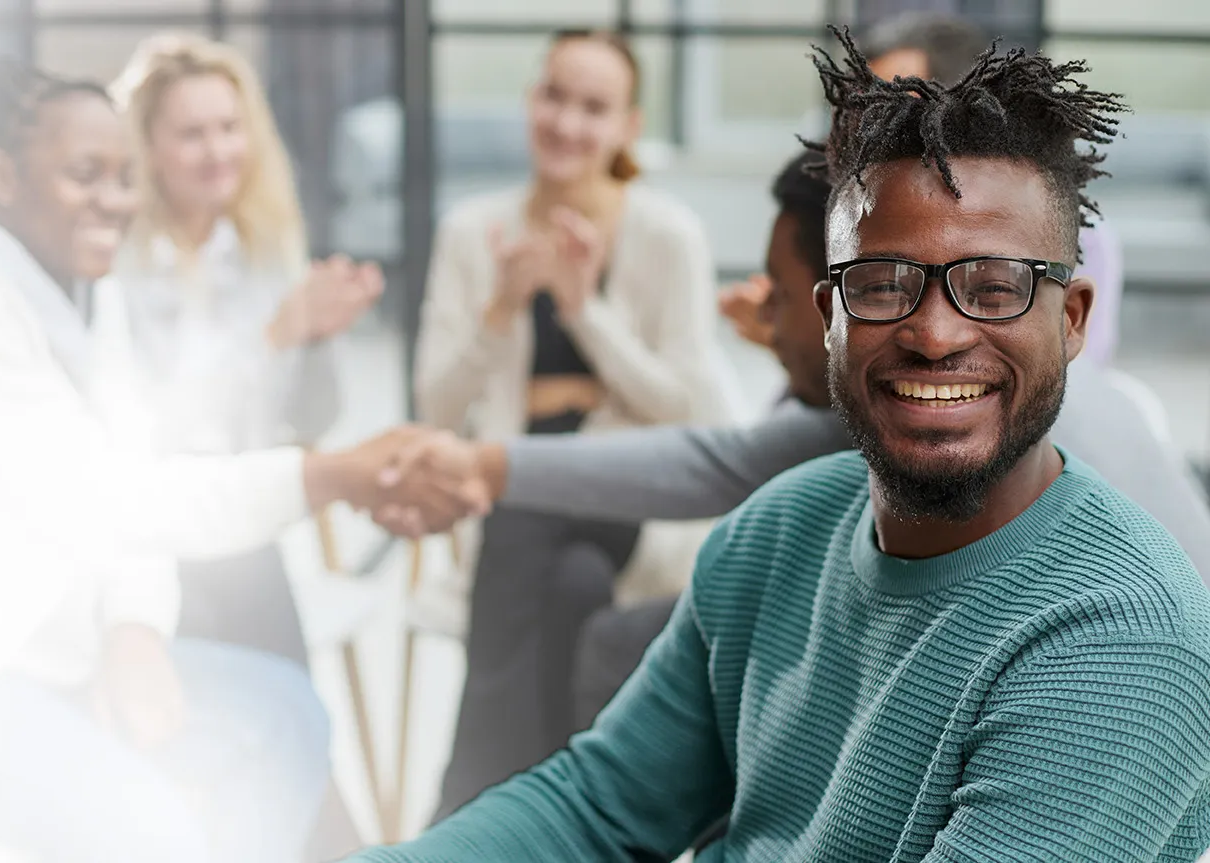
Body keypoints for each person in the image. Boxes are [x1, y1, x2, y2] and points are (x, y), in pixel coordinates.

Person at [353, 30, 1210, 860]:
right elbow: (598, 805)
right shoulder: (779, 527)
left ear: (1072, 321)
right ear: (828, 317)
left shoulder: (1124, 644)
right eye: (884, 284)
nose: (936, 332)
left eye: (995, 287)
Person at [0, 58, 455, 863]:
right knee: (161, 824)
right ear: (1, 175)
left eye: (121, 178)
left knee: (288, 711)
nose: (115, 200)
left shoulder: (93, 283)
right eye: (88, 175)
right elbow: (117, 492)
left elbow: (149, 449)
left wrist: (132, 627)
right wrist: (332, 472)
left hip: (81, 630)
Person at [416, 29, 727, 818]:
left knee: (525, 498)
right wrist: (500, 307)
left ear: (627, 125)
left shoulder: (668, 236)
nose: (567, 123)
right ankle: (563, 822)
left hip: (624, 498)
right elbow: (437, 406)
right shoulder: (471, 231)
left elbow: (686, 409)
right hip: (523, 518)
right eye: (554, 96)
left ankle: (463, 813)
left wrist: (587, 311)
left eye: (594, 108)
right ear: (530, 102)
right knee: (573, 586)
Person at [109, 32, 382, 669]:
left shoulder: (263, 254)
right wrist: (273, 338)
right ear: (147, 147)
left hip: (238, 520)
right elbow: (158, 429)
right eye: (192, 133)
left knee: (247, 582)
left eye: (230, 128)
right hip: (151, 518)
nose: (218, 151)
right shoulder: (119, 266)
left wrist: (317, 335)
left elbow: (312, 425)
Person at [721, 11, 1126, 367]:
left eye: (893, 108)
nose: (871, 131)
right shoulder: (844, 217)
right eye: (856, 113)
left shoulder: (1066, 231)